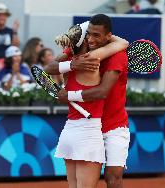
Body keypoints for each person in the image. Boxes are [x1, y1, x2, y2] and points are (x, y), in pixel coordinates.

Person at [45, 16, 129, 188]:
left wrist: (67, 95)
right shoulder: (80, 52)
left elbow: (102, 91)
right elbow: (50, 67)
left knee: (113, 177)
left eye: (97, 35)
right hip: (91, 125)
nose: (91, 39)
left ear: (108, 36)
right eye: (89, 34)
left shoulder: (117, 56)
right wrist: (73, 65)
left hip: (114, 125)